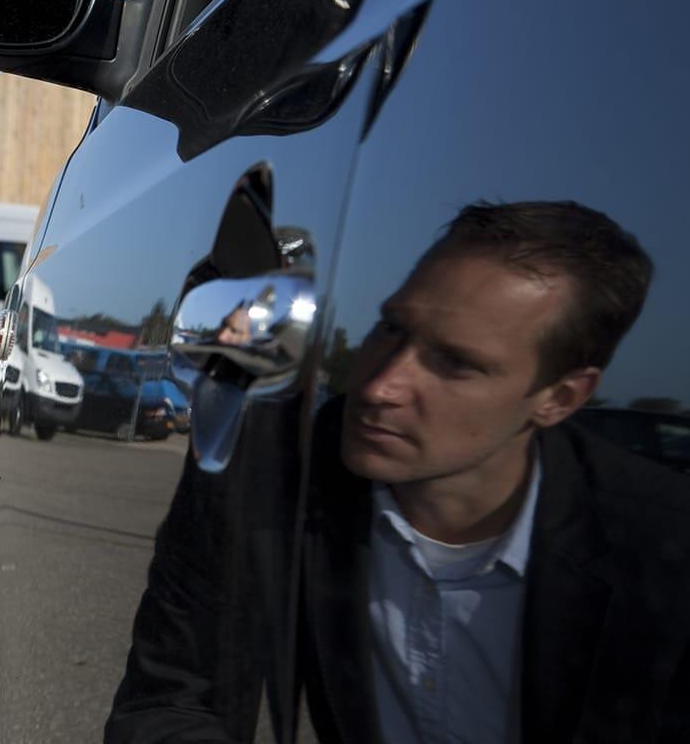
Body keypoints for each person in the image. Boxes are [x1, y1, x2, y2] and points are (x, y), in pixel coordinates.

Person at [109, 201, 690, 742]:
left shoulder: (663, 547)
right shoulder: (268, 471)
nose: (381, 385)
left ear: (560, 398)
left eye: (456, 363)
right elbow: (172, 702)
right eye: (391, 328)